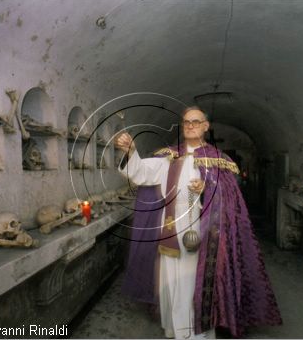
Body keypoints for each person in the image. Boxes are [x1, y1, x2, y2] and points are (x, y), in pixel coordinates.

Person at [115, 106, 282, 338]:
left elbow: (232, 197)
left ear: (205, 126)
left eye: (195, 121)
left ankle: (196, 334)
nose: (190, 125)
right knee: (171, 281)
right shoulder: (169, 156)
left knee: (193, 282)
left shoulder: (219, 161)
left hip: (202, 227)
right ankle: (175, 328)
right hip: (171, 224)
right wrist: (132, 152)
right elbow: (142, 172)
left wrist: (206, 190)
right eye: (186, 122)